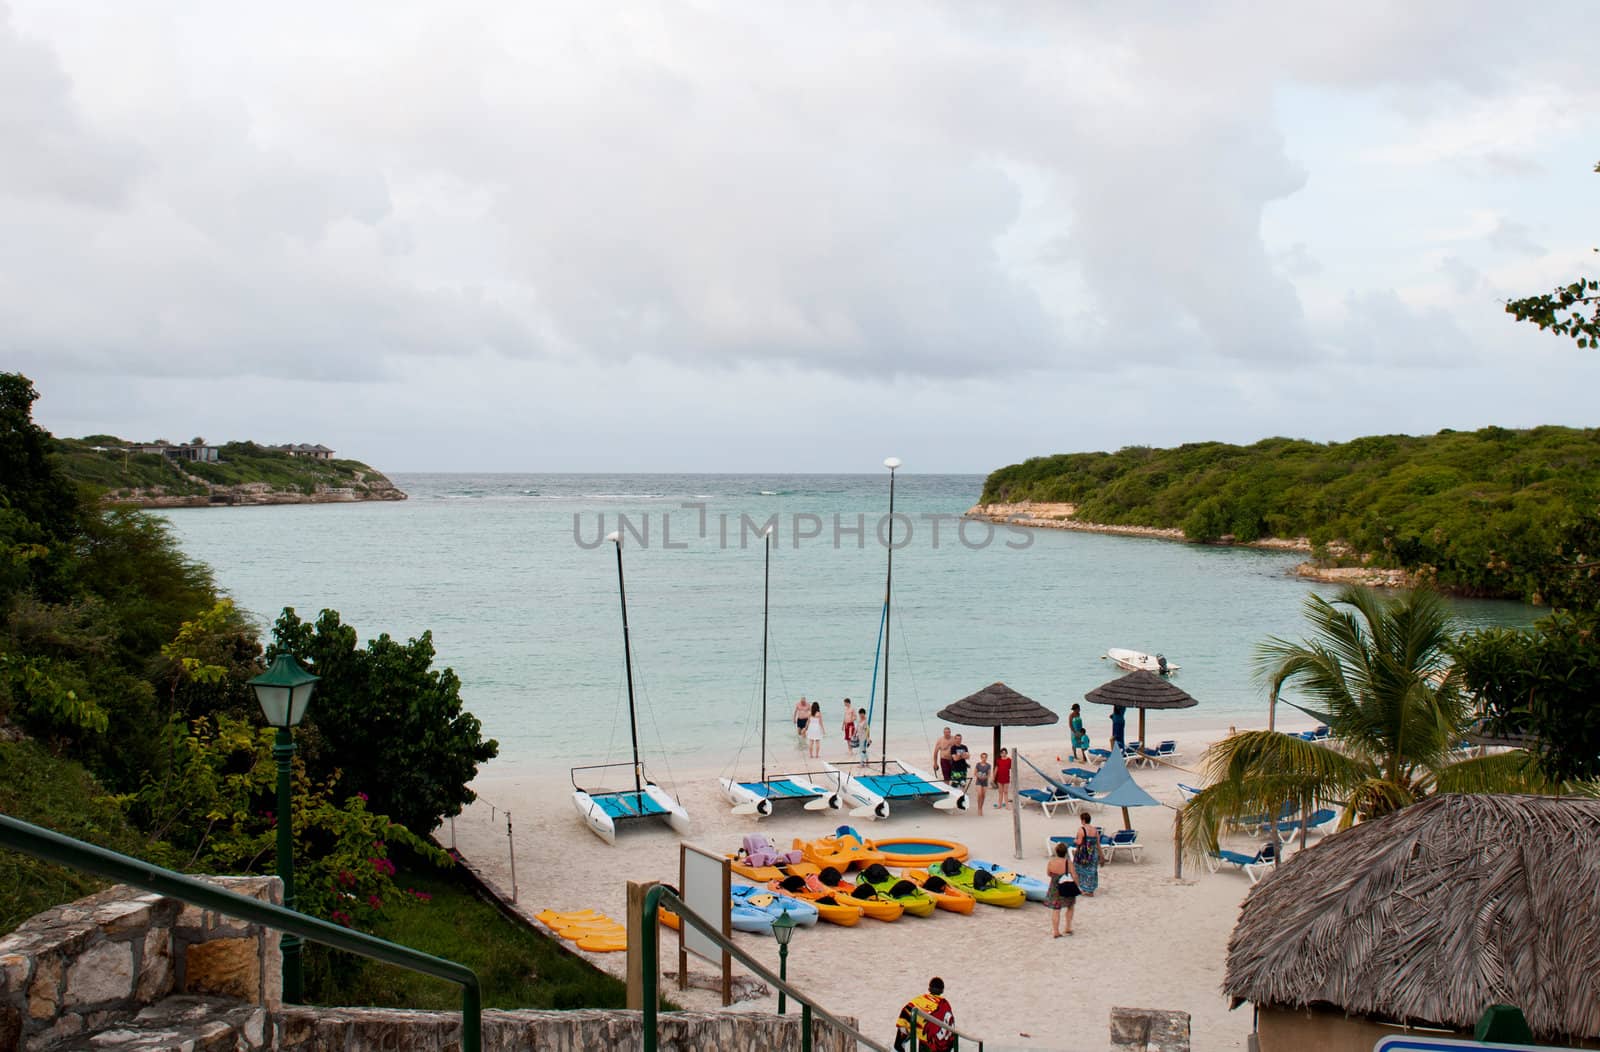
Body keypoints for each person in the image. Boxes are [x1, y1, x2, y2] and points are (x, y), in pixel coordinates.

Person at [894, 976, 955, 1052]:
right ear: (942, 991)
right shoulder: (944, 1004)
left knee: (899, 1044)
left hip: (918, 1028)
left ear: (929, 989)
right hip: (931, 1036)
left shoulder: (919, 999)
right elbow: (950, 1025)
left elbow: (905, 1011)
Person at [1045, 841, 1080, 937]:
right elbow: (1074, 875)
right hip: (1067, 885)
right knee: (1070, 906)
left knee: (1056, 909)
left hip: (1055, 886)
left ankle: (1056, 931)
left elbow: (1048, 873)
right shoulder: (1068, 863)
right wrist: (1077, 886)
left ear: (1056, 852)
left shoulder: (1051, 862)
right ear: (1065, 852)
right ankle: (1068, 927)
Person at [1073, 811, 1100, 896]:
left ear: (1083, 820)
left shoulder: (1081, 829)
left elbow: (1079, 842)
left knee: (1080, 870)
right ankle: (1090, 891)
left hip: (1084, 853)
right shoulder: (1095, 830)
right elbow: (1098, 844)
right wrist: (1101, 856)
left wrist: (1075, 841)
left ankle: (1083, 889)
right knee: (1092, 871)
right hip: (1093, 852)